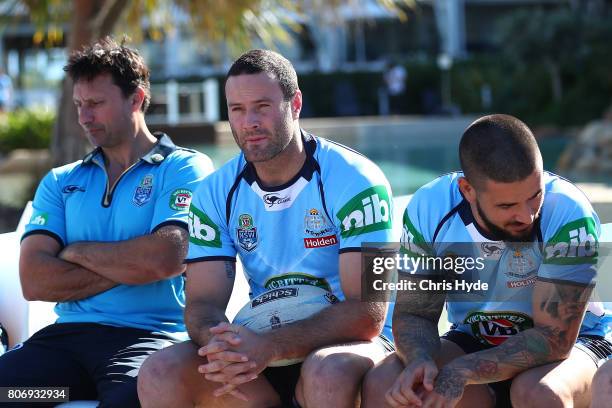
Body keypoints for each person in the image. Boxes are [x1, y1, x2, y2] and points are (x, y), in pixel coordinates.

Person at [138, 49, 395, 408]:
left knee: (326, 373)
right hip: (263, 346)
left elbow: (369, 313)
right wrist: (224, 345)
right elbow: (202, 303)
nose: (249, 122)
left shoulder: (357, 181)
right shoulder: (215, 192)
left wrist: (270, 346)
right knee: (160, 370)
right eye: (237, 110)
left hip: (354, 347)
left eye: (262, 106)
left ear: (295, 104)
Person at [0, 37, 213, 407]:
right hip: (63, 348)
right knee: (13, 395)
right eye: (79, 105)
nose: (84, 117)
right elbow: (34, 281)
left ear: (137, 99)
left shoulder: (184, 168)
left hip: (148, 339)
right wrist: (134, 264)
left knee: (126, 402)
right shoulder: (61, 180)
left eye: (96, 104)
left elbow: (165, 259)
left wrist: (76, 251)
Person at [362, 114, 612, 408]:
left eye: (535, 196)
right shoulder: (430, 207)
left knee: (537, 392)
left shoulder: (569, 211)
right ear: (467, 190)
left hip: (580, 344)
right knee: (386, 381)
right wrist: (420, 359)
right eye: (507, 205)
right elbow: (415, 314)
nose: (527, 215)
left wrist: (461, 371)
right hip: (474, 337)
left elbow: (555, 339)